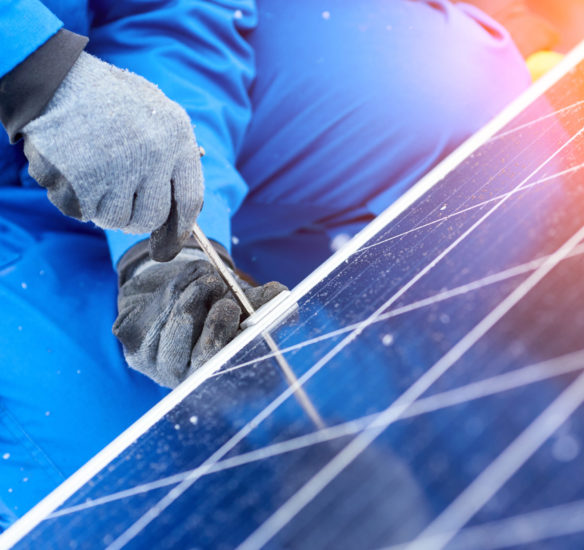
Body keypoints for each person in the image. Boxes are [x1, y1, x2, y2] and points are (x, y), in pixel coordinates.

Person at [0, 0, 531, 529]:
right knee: (99, 498)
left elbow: (168, 10)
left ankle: (439, 374)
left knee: (465, 106)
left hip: (108, 67)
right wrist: (27, 62)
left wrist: (170, 243)